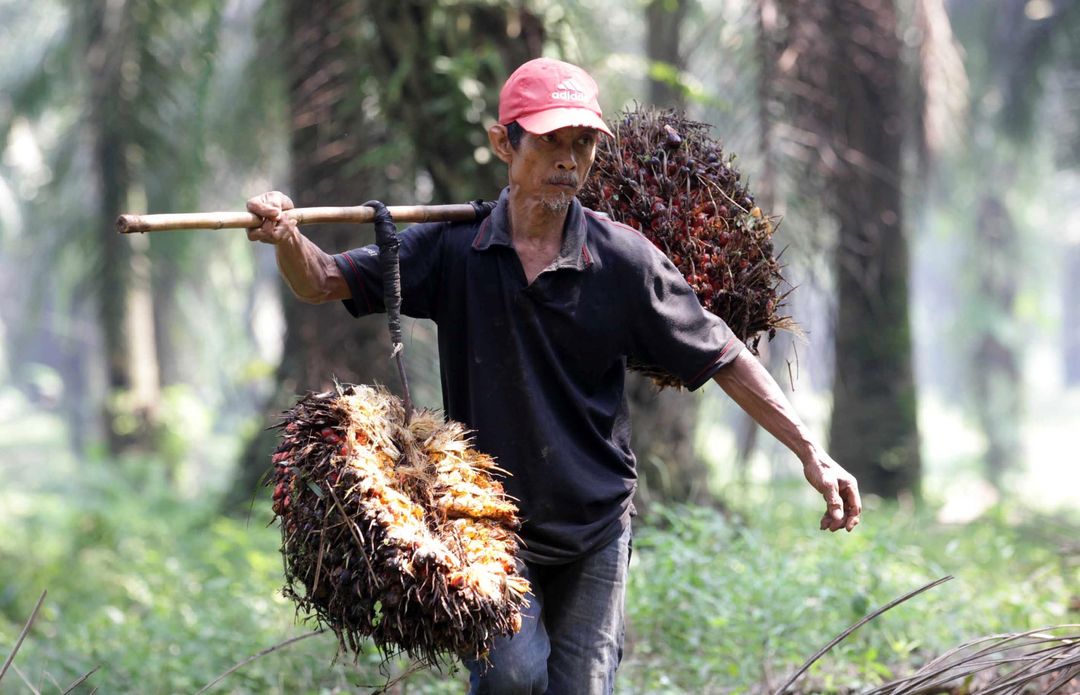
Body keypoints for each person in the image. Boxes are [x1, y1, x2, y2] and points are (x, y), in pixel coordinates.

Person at [247, 57, 861, 695]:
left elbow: (725, 356)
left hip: (594, 525)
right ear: (502, 143)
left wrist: (811, 453)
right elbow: (322, 279)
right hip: (485, 526)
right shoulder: (451, 250)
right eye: (548, 141)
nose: (568, 160)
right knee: (512, 677)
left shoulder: (623, 261)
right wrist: (286, 234)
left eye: (582, 143)